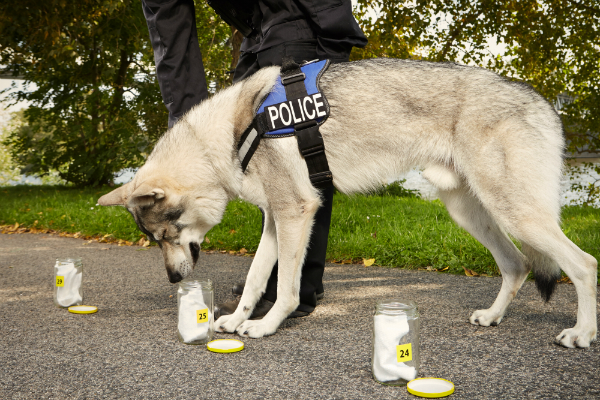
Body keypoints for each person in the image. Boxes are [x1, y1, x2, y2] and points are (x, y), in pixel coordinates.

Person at [142, 0, 367, 319]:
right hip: (258, 29)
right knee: (265, 153)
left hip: (302, 19)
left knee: (291, 150)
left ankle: (286, 290)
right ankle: (303, 277)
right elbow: (169, 19)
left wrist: (335, 33)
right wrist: (189, 121)